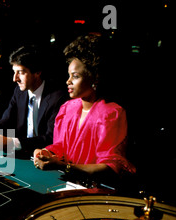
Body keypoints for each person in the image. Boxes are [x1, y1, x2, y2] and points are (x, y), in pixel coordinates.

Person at [33, 35, 136, 181]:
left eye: (75, 76)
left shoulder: (112, 113)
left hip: (96, 191)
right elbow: (61, 146)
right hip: (67, 181)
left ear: (94, 78)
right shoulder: (67, 108)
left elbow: (110, 167)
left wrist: (64, 167)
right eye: (69, 75)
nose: (68, 81)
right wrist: (46, 152)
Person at [0, 45, 67, 156]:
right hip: (23, 155)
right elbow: (5, 122)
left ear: (37, 72)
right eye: (14, 72)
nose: (15, 78)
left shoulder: (58, 97)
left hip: (46, 158)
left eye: (21, 72)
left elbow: (51, 138)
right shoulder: (19, 92)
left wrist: (10, 143)